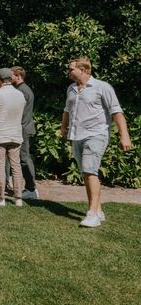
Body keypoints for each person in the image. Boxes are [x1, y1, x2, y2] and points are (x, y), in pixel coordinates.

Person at [60, 57, 133, 227]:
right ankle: (98, 211)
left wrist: (125, 135)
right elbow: (67, 110)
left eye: (71, 69)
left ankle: (92, 214)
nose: (68, 72)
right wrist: (64, 128)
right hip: (76, 135)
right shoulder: (71, 89)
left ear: (83, 70)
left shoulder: (102, 87)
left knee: (89, 171)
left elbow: (117, 112)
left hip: (96, 134)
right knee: (86, 173)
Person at [0, 68, 26, 207]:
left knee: (0, 166)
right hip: (15, 133)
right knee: (16, 166)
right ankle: (18, 197)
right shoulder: (20, 95)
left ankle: (0, 198)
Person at [11, 66, 39, 200]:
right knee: (23, 158)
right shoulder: (23, 89)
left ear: (18, 76)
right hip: (23, 127)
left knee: (24, 158)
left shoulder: (22, 91)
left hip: (22, 128)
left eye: (12, 76)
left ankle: (31, 188)